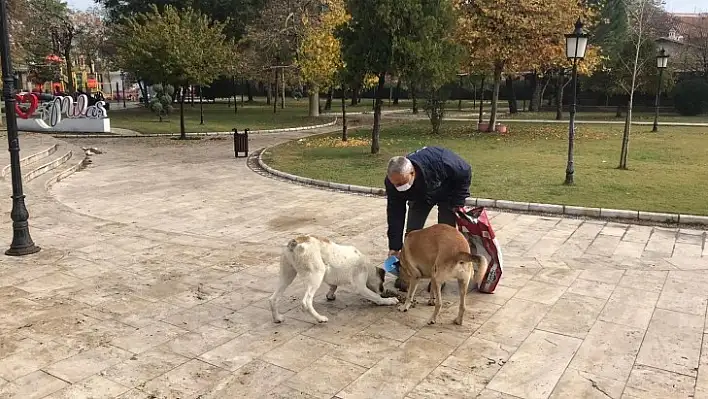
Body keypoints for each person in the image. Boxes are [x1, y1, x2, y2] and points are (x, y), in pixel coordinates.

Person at [385, 146, 472, 290]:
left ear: (412, 173)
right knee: (411, 237)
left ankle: (440, 278)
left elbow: (465, 171)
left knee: (445, 236)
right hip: (420, 197)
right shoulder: (392, 182)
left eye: (401, 183)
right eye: (395, 184)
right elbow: (395, 213)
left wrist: (457, 202)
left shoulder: (441, 162)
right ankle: (407, 275)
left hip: (447, 191)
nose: (398, 187)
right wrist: (394, 247)